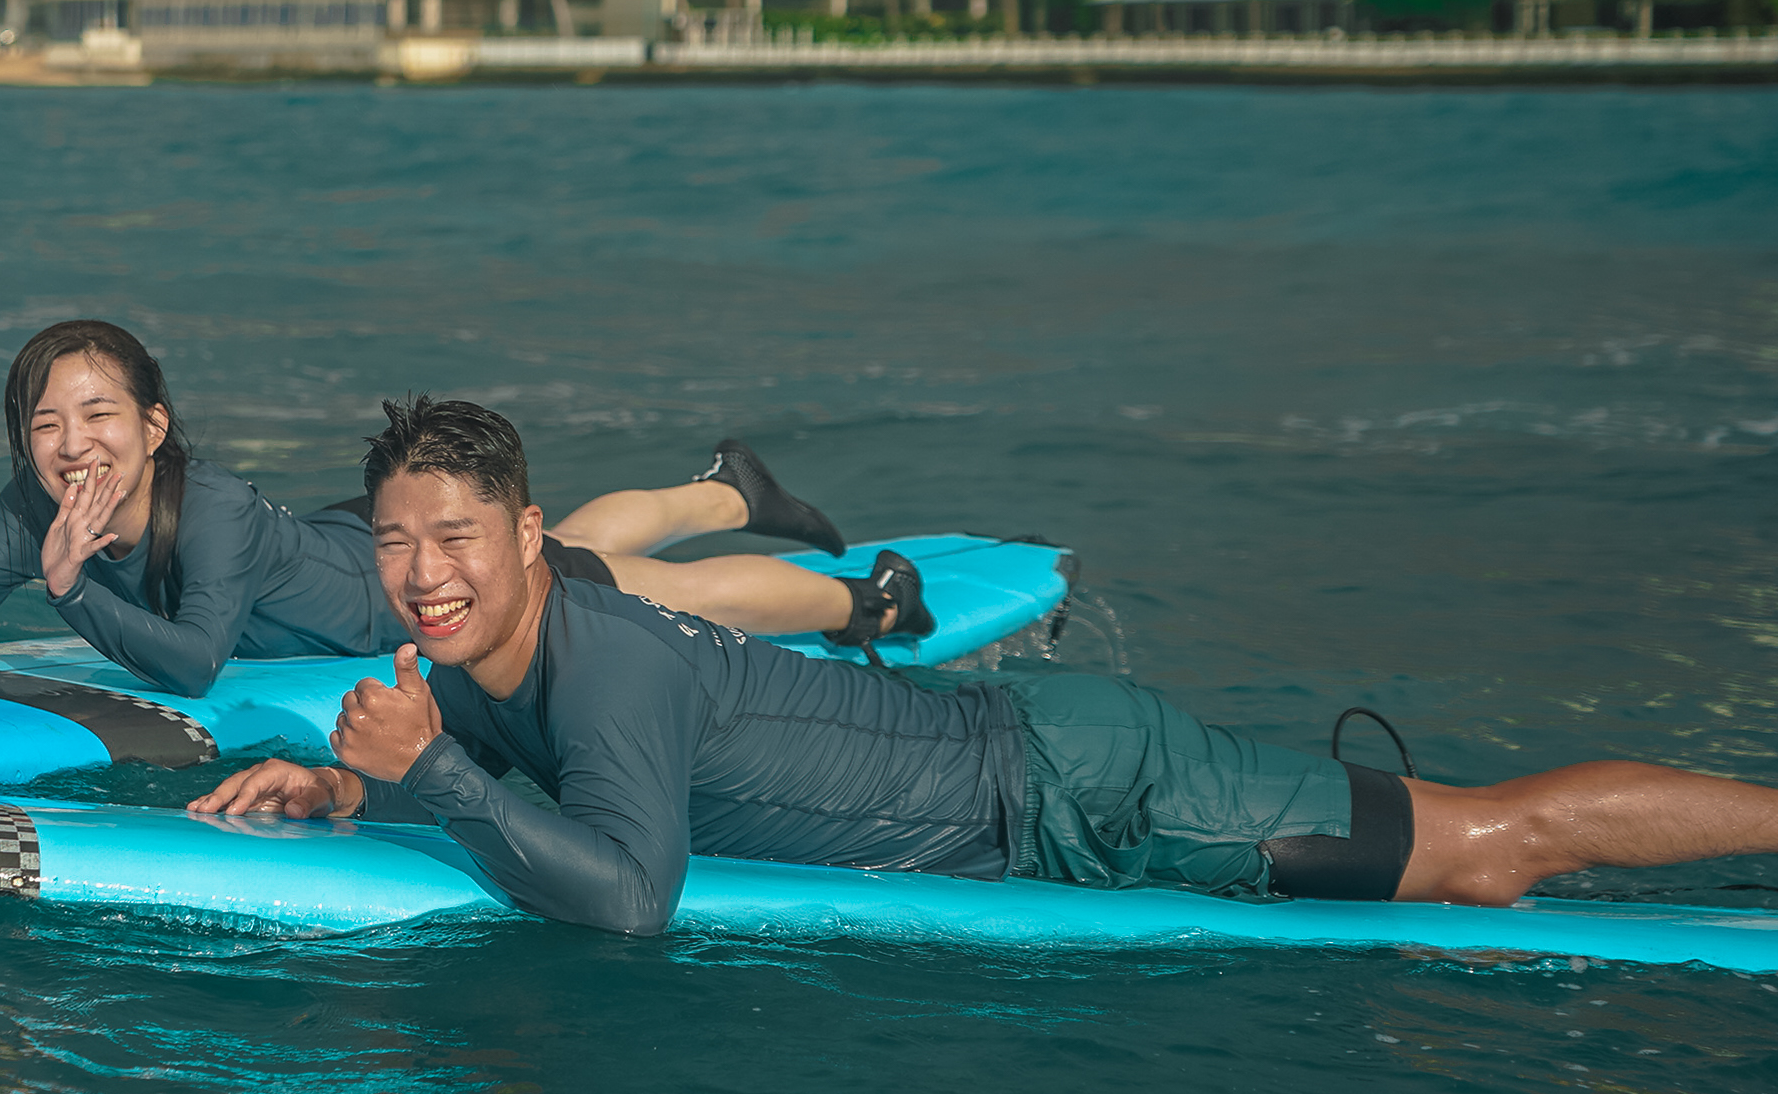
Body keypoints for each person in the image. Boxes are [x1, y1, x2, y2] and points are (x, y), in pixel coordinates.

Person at [191, 396, 1778, 933]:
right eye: (396, 546)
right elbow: (483, 766)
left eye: (456, 539)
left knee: (1494, 850)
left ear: (533, 536)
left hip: (1080, 792)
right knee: (1470, 839)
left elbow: (629, 902)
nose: (422, 575)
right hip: (1016, 754)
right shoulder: (465, 658)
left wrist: (438, 776)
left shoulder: (610, 666)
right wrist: (339, 778)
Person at [0, 318, 908, 699]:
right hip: (343, 548)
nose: (68, 444)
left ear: (154, 427)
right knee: (562, 539)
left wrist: (66, 592)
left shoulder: (214, 509)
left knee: (644, 592)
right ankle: (725, 487)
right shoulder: (30, 503)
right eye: (44, 423)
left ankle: (864, 600)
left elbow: (194, 662)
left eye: (98, 416)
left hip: (404, 586)